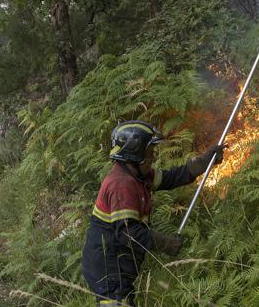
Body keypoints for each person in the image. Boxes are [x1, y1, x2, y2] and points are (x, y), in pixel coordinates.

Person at [81, 120, 225, 306]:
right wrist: (166, 243)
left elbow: (170, 178)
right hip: (107, 268)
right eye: (149, 153)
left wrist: (204, 162)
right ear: (135, 154)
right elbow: (128, 233)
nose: (153, 157)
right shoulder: (121, 184)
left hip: (118, 265)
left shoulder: (137, 176)